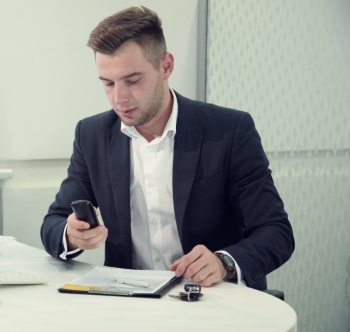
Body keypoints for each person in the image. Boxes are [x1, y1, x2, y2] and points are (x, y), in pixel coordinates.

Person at [40, 6, 294, 290]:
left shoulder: (229, 131)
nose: (119, 97)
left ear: (166, 66)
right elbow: (53, 222)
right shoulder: (92, 135)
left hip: (213, 300)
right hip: (129, 304)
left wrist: (224, 263)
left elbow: (276, 232)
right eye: (108, 83)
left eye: (132, 81)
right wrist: (70, 235)